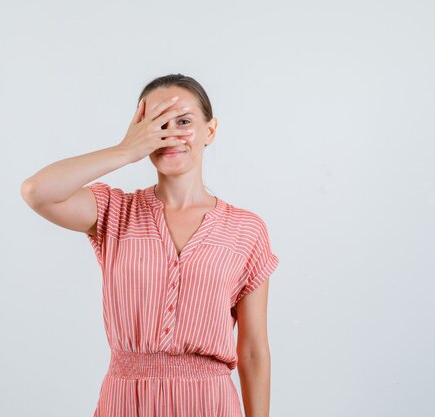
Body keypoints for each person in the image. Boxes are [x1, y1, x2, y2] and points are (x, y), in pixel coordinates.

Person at [21, 73, 280, 417]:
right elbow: (36, 191)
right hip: (126, 401)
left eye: (184, 121)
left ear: (210, 131)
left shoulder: (246, 230)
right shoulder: (114, 212)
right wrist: (126, 150)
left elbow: (252, 351)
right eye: (156, 124)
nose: (170, 134)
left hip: (211, 402)